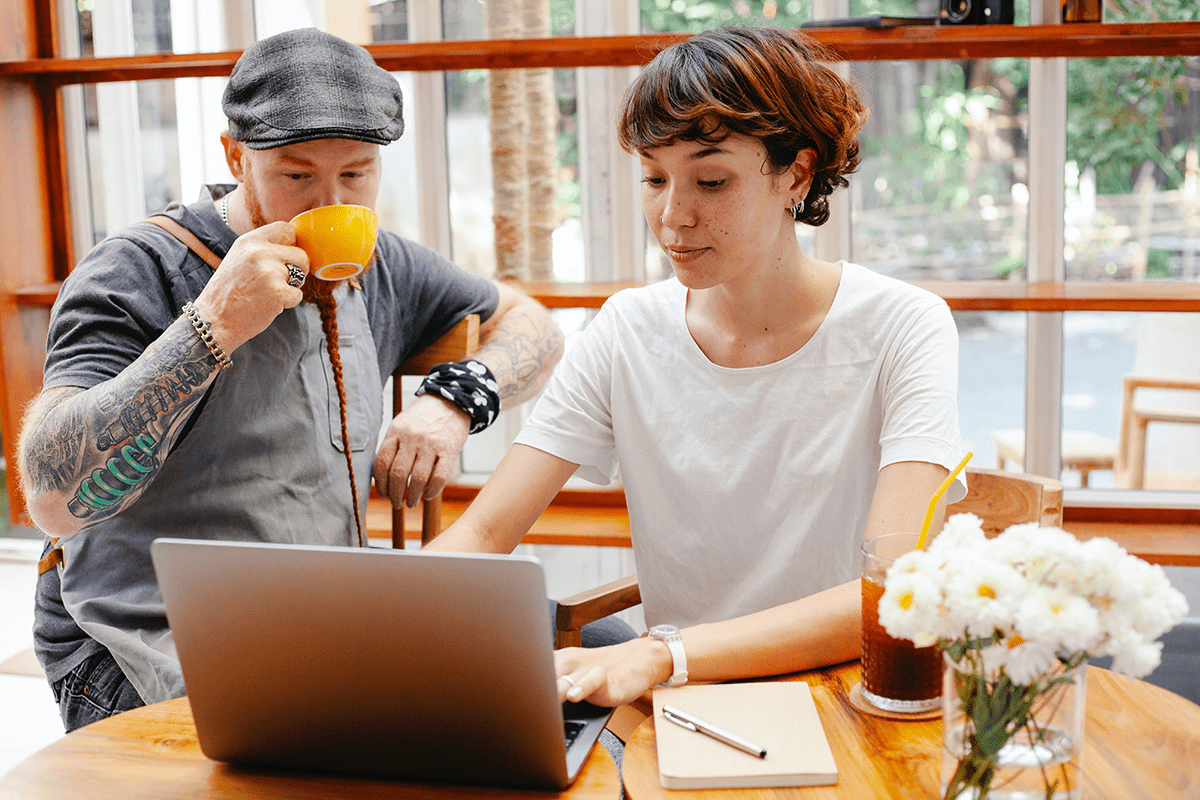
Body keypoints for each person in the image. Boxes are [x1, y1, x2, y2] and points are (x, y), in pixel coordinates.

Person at [16, 28, 583, 732]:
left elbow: (534, 326)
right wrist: (210, 328)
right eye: (296, 174)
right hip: (145, 635)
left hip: (324, 618)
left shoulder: (382, 264)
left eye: (357, 173)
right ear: (235, 157)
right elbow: (50, 498)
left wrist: (456, 400)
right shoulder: (137, 270)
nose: (330, 198)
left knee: (561, 687)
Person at [426, 25, 967, 708]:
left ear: (795, 174)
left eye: (711, 180)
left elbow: (897, 584)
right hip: (679, 704)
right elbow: (483, 530)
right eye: (654, 178)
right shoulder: (627, 329)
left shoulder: (902, 325)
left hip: (843, 699)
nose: (672, 215)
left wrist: (661, 655)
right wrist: (374, 629)